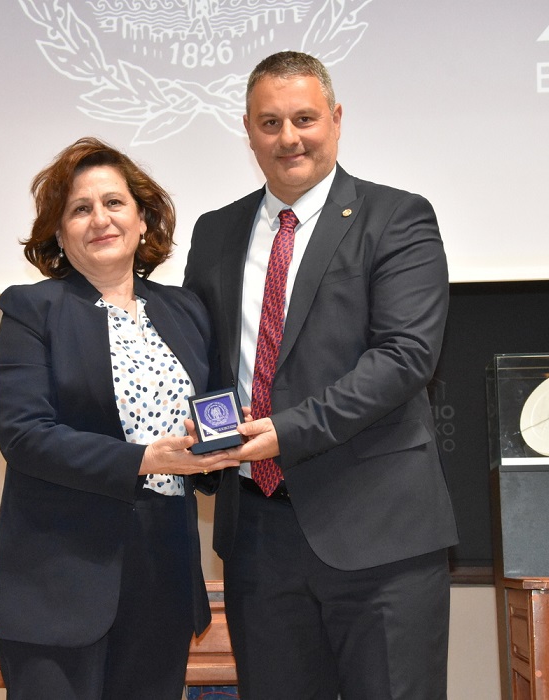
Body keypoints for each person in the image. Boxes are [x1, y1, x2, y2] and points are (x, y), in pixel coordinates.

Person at [183, 52, 459, 699]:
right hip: (257, 540)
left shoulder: (396, 218)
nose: (289, 138)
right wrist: (198, 440)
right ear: (248, 130)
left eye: (304, 119)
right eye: (270, 122)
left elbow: (405, 357)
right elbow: (203, 361)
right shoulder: (215, 232)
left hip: (380, 533)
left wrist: (285, 431)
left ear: (335, 119)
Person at [0, 136, 238, 700]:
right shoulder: (32, 309)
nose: (100, 219)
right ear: (59, 233)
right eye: (80, 209)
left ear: (142, 220)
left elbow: (212, 410)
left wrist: (219, 448)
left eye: (114, 203)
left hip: (164, 574)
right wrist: (143, 459)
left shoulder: (186, 310)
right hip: (59, 583)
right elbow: (23, 435)